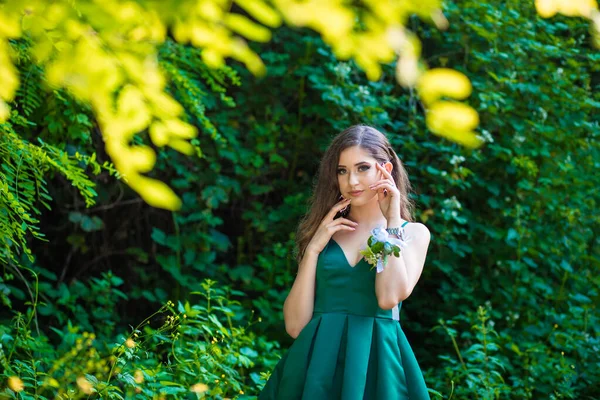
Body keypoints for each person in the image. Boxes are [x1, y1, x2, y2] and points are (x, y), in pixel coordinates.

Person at [258, 125, 431, 399]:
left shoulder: (413, 233)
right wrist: (313, 249)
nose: (352, 181)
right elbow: (294, 327)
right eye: (343, 171)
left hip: (377, 363)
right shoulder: (323, 234)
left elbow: (388, 298)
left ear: (384, 170)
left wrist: (392, 224)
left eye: (362, 168)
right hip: (316, 366)